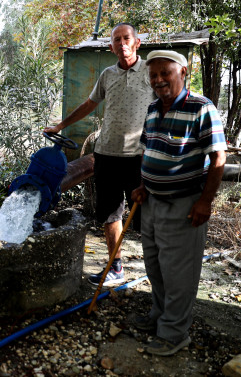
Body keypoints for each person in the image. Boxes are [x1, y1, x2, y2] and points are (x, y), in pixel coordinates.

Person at [131, 50, 227, 356]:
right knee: (155, 265)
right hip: (152, 203)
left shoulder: (201, 107)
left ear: (183, 73)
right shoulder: (152, 109)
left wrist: (206, 202)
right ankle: (159, 316)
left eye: (165, 74)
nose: (158, 80)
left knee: (178, 273)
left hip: (184, 204)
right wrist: (143, 185)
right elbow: (149, 151)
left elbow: (218, 157)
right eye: (154, 75)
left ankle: (174, 333)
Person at [44, 23, 155, 286]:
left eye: (126, 38)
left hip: (140, 157)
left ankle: (157, 272)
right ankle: (115, 268)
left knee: (146, 219)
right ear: (111, 46)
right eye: (116, 40)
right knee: (110, 214)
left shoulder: (151, 71)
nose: (122, 43)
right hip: (106, 155)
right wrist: (61, 125)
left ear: (137, 42)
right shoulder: (107, 75)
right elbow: (89, 104)